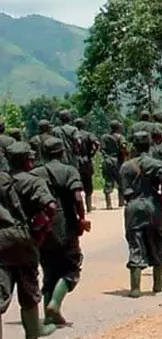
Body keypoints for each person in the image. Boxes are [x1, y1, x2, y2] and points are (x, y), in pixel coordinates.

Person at [30, 138, 91, 327]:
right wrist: (81, 218)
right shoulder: (69, 170)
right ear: (62, 152)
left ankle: (49, 315)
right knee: (71, 268)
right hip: (65, 224)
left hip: (42, 226)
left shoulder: (34, 174)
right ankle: (55, 305)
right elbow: (77, 195)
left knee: (48, 268)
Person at [1, 142, 59, 338]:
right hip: (24, 239)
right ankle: (33, 333)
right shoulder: (33, 181)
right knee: (29, 292)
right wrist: (41, 228)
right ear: (27, 160)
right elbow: (50, 207)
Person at [119, 132, 162, 298]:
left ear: (134, 146)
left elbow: (123, 191)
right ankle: (157, 283)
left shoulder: (125, 167)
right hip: (153, 205)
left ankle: (135, 288)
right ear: (150, 144)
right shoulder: (156, 164)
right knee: (157, 240)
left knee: (135, 243)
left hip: (133, 207)